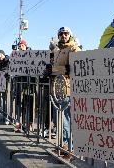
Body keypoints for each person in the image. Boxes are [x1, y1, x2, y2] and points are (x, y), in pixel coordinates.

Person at [45, 26, 81, 161]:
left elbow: (72, 68)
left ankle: (70, 149)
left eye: (66, 33)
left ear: (70, 35)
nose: (63, 36)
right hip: (57, 88)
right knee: (59, 120)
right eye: (61, 34)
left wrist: (54, 69)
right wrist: (49, 71)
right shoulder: (59, 50)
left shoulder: (73, 48)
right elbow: (59, 69)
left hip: (67, 89)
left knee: (66, 120)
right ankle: (62, 145)